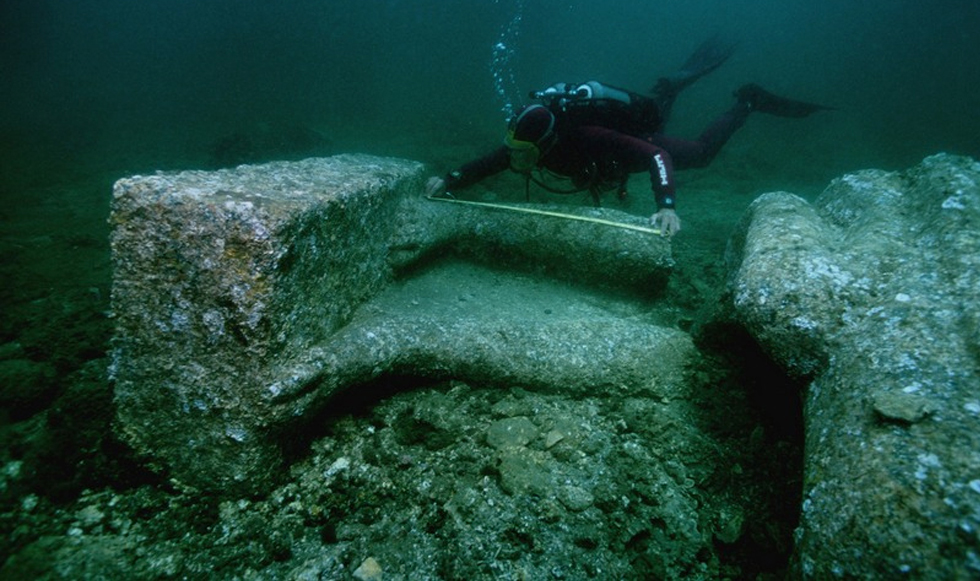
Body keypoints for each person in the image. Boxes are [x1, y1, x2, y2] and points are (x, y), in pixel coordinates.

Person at [425, 36, 829, 237]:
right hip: (620, 146)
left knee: (699, 152)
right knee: (658, 118)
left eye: (523, 152)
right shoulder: (527, 144)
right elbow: (491, 161)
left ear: (545, 143)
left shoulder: (589, 134)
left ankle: (746, 102)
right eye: (514, 150)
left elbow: (657, 156)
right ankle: (669, 89)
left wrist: (666, 205)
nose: (515, 160)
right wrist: (451, 180)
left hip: (628, 146)